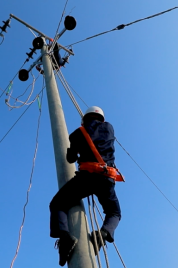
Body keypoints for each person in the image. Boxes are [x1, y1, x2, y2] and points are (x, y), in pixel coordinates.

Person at [49, 106, 122, 266]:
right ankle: (103, 234)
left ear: (84, 119)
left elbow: (70, 159)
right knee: (114, 212)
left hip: (87, 178)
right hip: (107, 177)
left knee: (58, 204)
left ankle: (65, 237)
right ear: (102, 119)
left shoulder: (77, 134)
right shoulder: (109, 128)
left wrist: (74, 150)